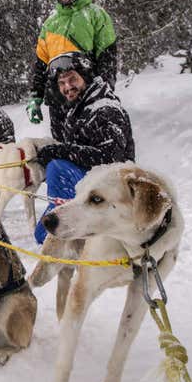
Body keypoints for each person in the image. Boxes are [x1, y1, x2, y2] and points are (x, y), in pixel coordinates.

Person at [32, 52, 134, 244]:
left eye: (72, 79)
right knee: (41, 234)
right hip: (91, 186)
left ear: (85, 76)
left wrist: (60, 152)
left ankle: (71, 224)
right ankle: (64, 217)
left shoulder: (105, 109)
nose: (67, 87)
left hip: (113, 192)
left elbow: (109, 158)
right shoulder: (80, 107)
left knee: (57, 167)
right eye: (62, 83)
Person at [26, 0, 117, 134]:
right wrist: (36, 96)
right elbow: (41, 64)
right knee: (63, 149)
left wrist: (105, 89)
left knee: (90, 144)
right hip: (58, 98)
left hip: (87, 94)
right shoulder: (49, 24)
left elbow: (107, 55)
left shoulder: (95, 14)